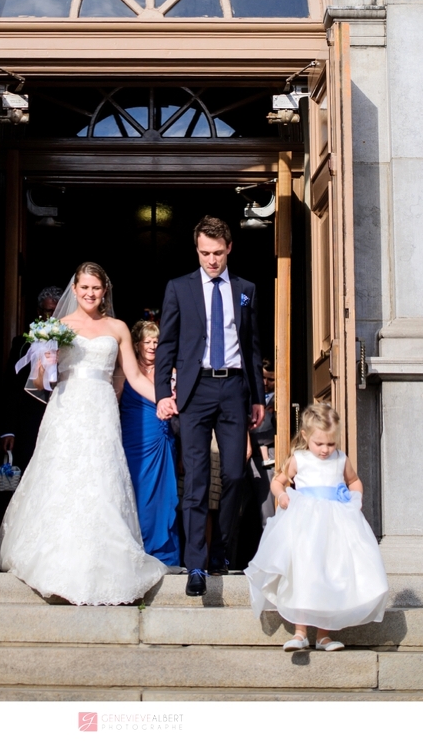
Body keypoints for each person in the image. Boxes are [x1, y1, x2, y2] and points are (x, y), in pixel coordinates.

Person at [0, 263, 167, 605]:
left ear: (105, 291)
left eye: (95, 288)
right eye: (84, 287)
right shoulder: (57, 327)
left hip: (102, 410)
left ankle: (102, 560)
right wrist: (47, 360)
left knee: (101, 479)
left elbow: (134, 377)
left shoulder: (117, 328)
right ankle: (55, 559)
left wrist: (164, 399)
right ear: (74, 290)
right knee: (63, 478)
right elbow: (38, 384)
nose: (90, 293)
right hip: (66, 409)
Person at [155, 215, 265, 597]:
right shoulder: (179, 288)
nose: (212, 260)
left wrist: (256, 397)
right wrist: (163, 393)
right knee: (197, 480)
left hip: (234, 388)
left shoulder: (246, 289)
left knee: (234, 475)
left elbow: (252, 347)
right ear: (197, 250)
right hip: (195, 389)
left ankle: (220, 550)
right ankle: (196, 565)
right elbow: (167, 344)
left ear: (229, 248)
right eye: (205, 253)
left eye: (218, 252)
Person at [244, 402, 388, 651]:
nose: (325, 450)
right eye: (319, 443)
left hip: (334, 526)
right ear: (305, 436)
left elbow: (354, 481)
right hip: (305, 526)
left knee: (330, 573)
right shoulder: (299, 459)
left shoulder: (340, 459)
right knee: (303, 574)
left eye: (330, 444)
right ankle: (300, 632)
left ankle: (324, 635)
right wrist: (282, 495)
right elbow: (278, 481)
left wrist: (356, 498)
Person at [119, 321, 180, 568]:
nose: (153, 346)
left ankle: (163, 554)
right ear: (136, 345)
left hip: (161, 440)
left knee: (164, 497)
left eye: (156, 341)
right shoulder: (124, 370)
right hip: (133, 440)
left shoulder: (171, 372)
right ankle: (135, 550)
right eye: (147, 341)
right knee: (134, 493)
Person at [0, 285, 63, 476]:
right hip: (29, 419)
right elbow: (11, 387)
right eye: (48, 311)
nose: (52, 317)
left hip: (62, 414)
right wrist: (8, 430)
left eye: (57, 312)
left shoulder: (72, 343)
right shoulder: (22, 344)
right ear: (39, 311)